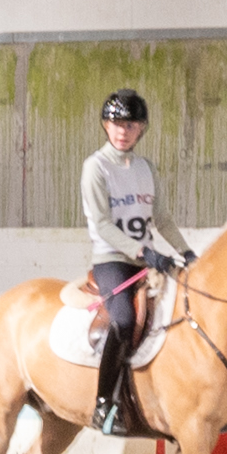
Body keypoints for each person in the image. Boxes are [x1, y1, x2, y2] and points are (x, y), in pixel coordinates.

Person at [82, 88, 195, 435]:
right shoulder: (95, 167)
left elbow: (160, 218)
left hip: (147, 262)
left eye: (130, 125)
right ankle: (104, 403)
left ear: (141, 129)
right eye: (116, 124)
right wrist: (144, 252)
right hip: (113, 261)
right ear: (105, 125)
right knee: (124, 319)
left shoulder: (146, 168)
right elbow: (101, 224)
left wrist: (186, 252)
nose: (123, 131)